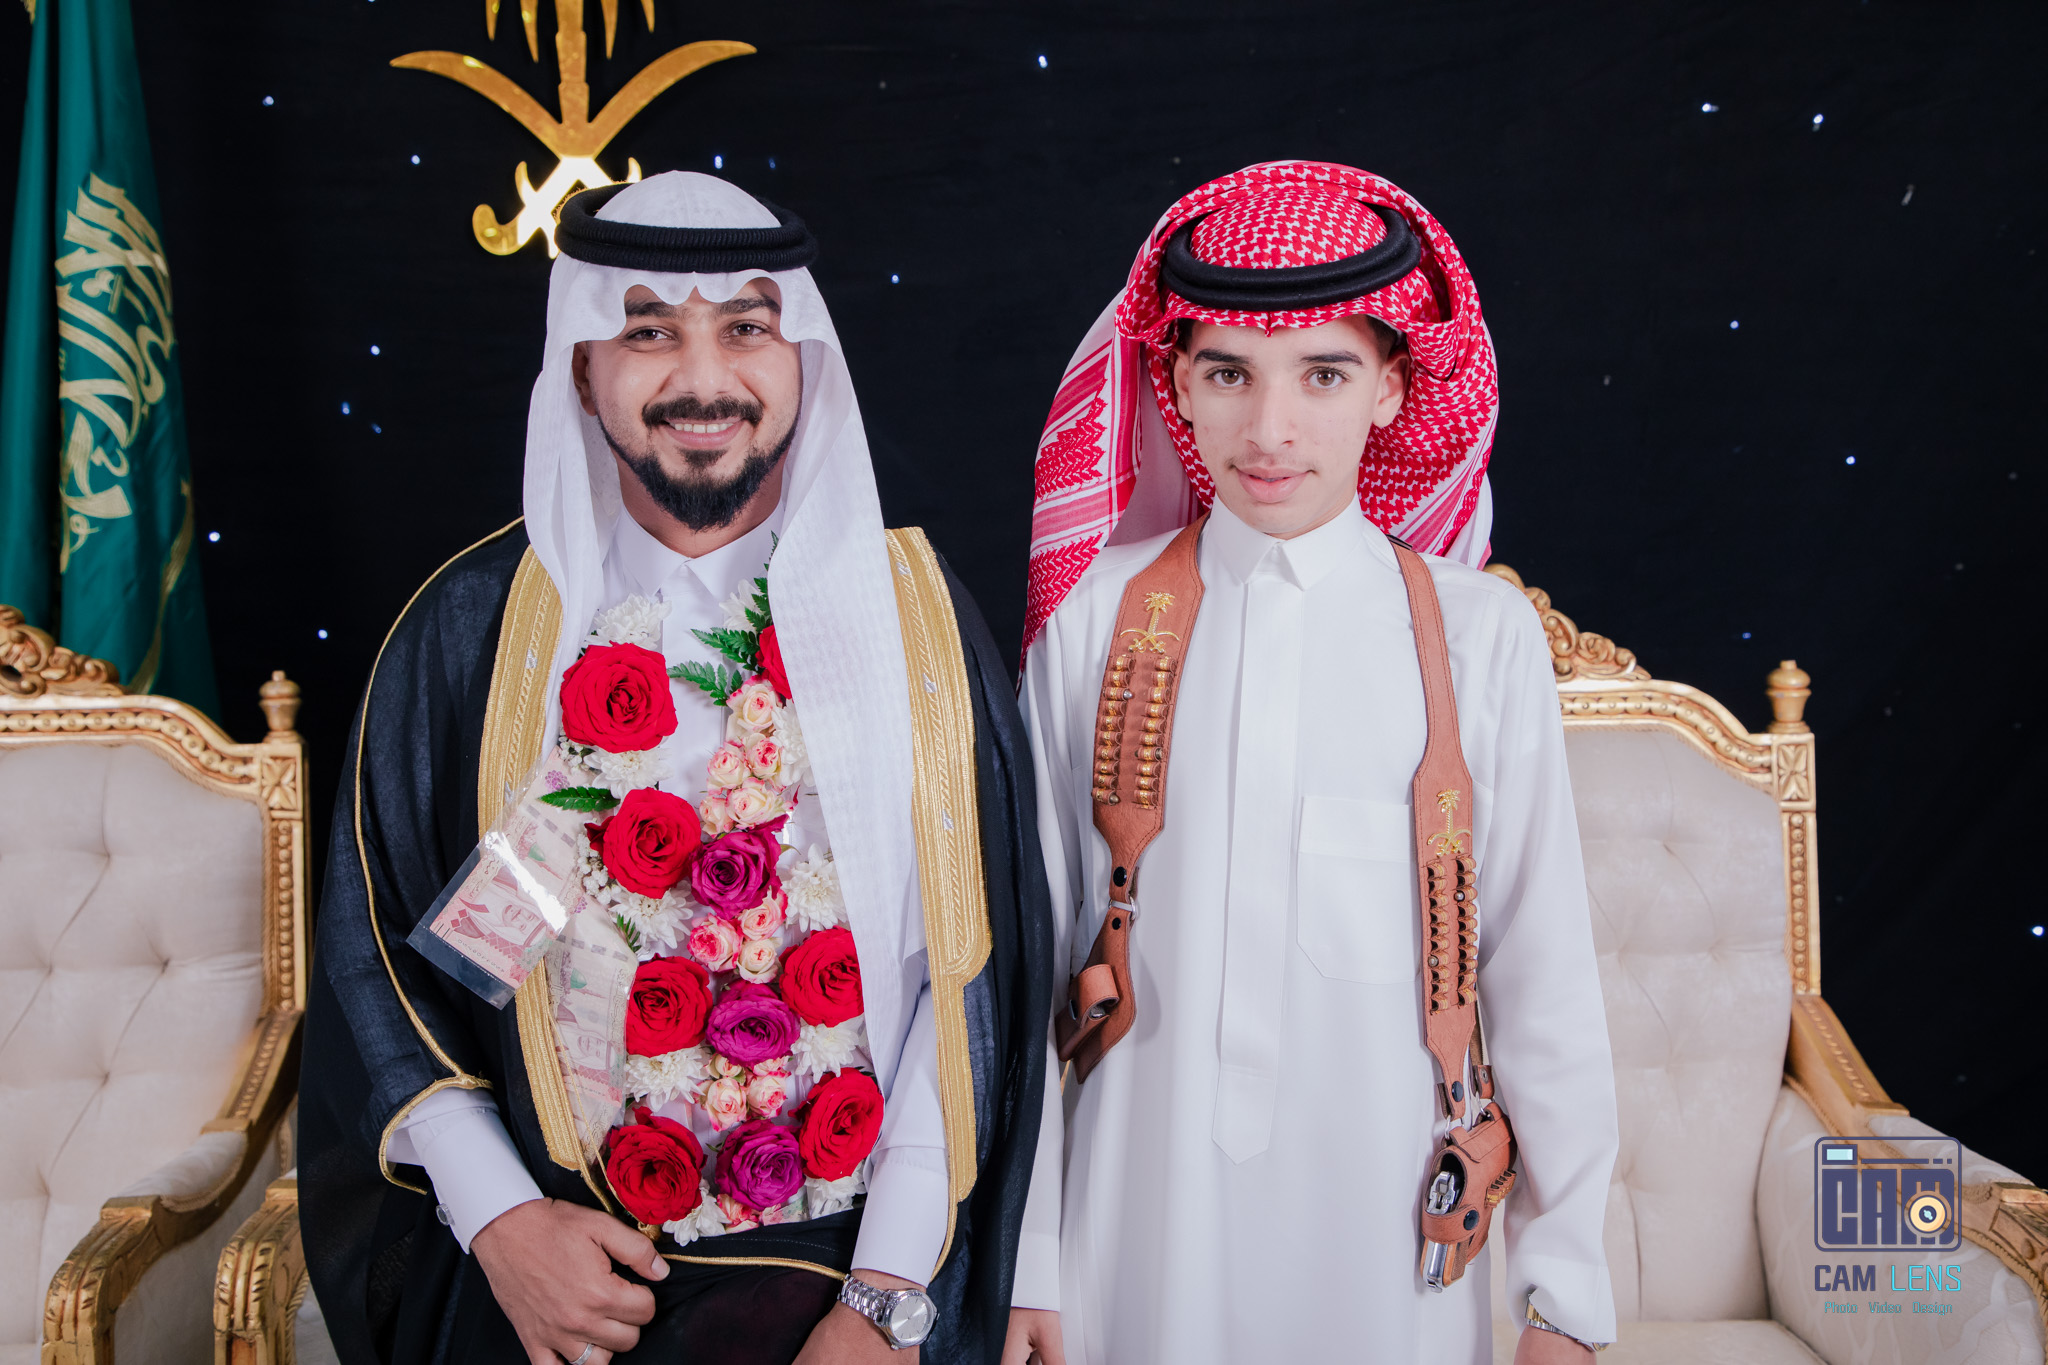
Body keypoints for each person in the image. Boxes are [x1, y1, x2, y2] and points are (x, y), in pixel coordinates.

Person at [300, 172, 1059, 1365]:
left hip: (840, 1296)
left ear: (803, 357)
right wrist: (500, 1223)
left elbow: (966, 985)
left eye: (746, 327)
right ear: (581, 368)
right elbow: (377, 966)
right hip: (558, 1299)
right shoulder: (473, 634)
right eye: (648, 332)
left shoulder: (910, 624)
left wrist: (886, 1297)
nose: (704, 380)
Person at [1018, 161, 1618, 1363]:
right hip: (1133, 1235)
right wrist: (1030, 1263)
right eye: (1227, 373)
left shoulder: (1475, 639)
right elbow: (1030, 970)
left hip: (1387, 1258)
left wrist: (1560, 1298)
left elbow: (1539, 977)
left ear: (1392, 388)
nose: (1269, 429)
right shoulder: (1095, 621)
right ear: (1175, 385)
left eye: (1323, 374)